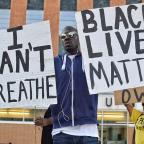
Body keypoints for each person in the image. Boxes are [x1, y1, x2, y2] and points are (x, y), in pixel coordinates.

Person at [35, 26, 99, 144]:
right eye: (63, 37)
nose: (67, 38)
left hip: (89, 132)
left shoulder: (91, 61)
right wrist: (48, 121)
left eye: (71, 35)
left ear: (78, 38)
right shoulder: (53, 63)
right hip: (62, 132)